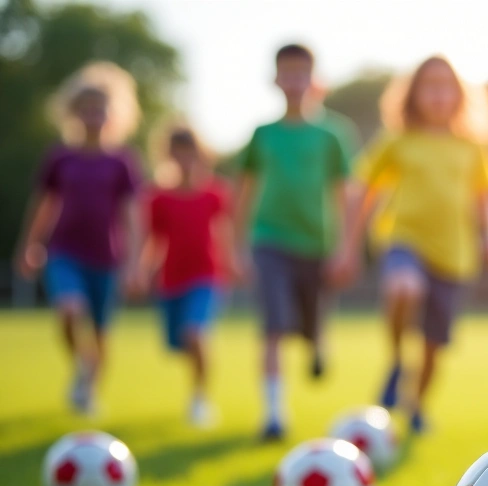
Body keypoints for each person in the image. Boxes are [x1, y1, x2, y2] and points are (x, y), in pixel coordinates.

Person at [329, 56, 488, 434]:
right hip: (403, 237)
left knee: (433, 344)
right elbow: (362, 189)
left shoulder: (472, 146)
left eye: (446, 87)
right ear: (413, 95)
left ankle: (416, 406)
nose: (438, 95)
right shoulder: (398, 140)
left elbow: (487, 197)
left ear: (459, 96)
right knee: (404, 287)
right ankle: (396, 360)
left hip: (455, 254)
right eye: (429, 86)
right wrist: (347, 247)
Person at [236, 43, 360, 441]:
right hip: (269, 240)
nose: (294, 80)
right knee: (273, 326)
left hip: (318, 245)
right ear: (275, 79)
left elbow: (346, 195)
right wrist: (236, 247)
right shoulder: (262, 135)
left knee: (309, 326)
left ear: (314, 79)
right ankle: (274, 415)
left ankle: (317, 342)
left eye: (301, 72)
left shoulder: (333, 134)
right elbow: (244, 193)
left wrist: (346, 248)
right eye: (286, 72)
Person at [16, 62, 142, 415]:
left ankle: (88, 389)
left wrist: (134, 262)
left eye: (99, 109)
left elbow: (132, 216)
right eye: (85, 109)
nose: (92, 115)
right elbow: (43, 205)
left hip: (106, 256)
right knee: (70, 310)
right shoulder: (60, 157)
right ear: (73, 113)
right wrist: (27, 246)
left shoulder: (122, 162)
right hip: (64, 251)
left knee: (101, 330)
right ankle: (82, 365)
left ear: (113, 114)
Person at [133, 125, 241, 427]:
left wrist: (233, 262)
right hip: (171, 281)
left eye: (189, 151)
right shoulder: (157, 197)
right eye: (177, 151)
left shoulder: (214, 193)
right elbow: (152, 241)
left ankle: (200, 400)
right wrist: (140, 272)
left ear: (201, 154)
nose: (184, 158)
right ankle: (197, 380)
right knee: (178, 345)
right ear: (168, 156)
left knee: (196, 334)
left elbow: (226, 232)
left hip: (206, 277)